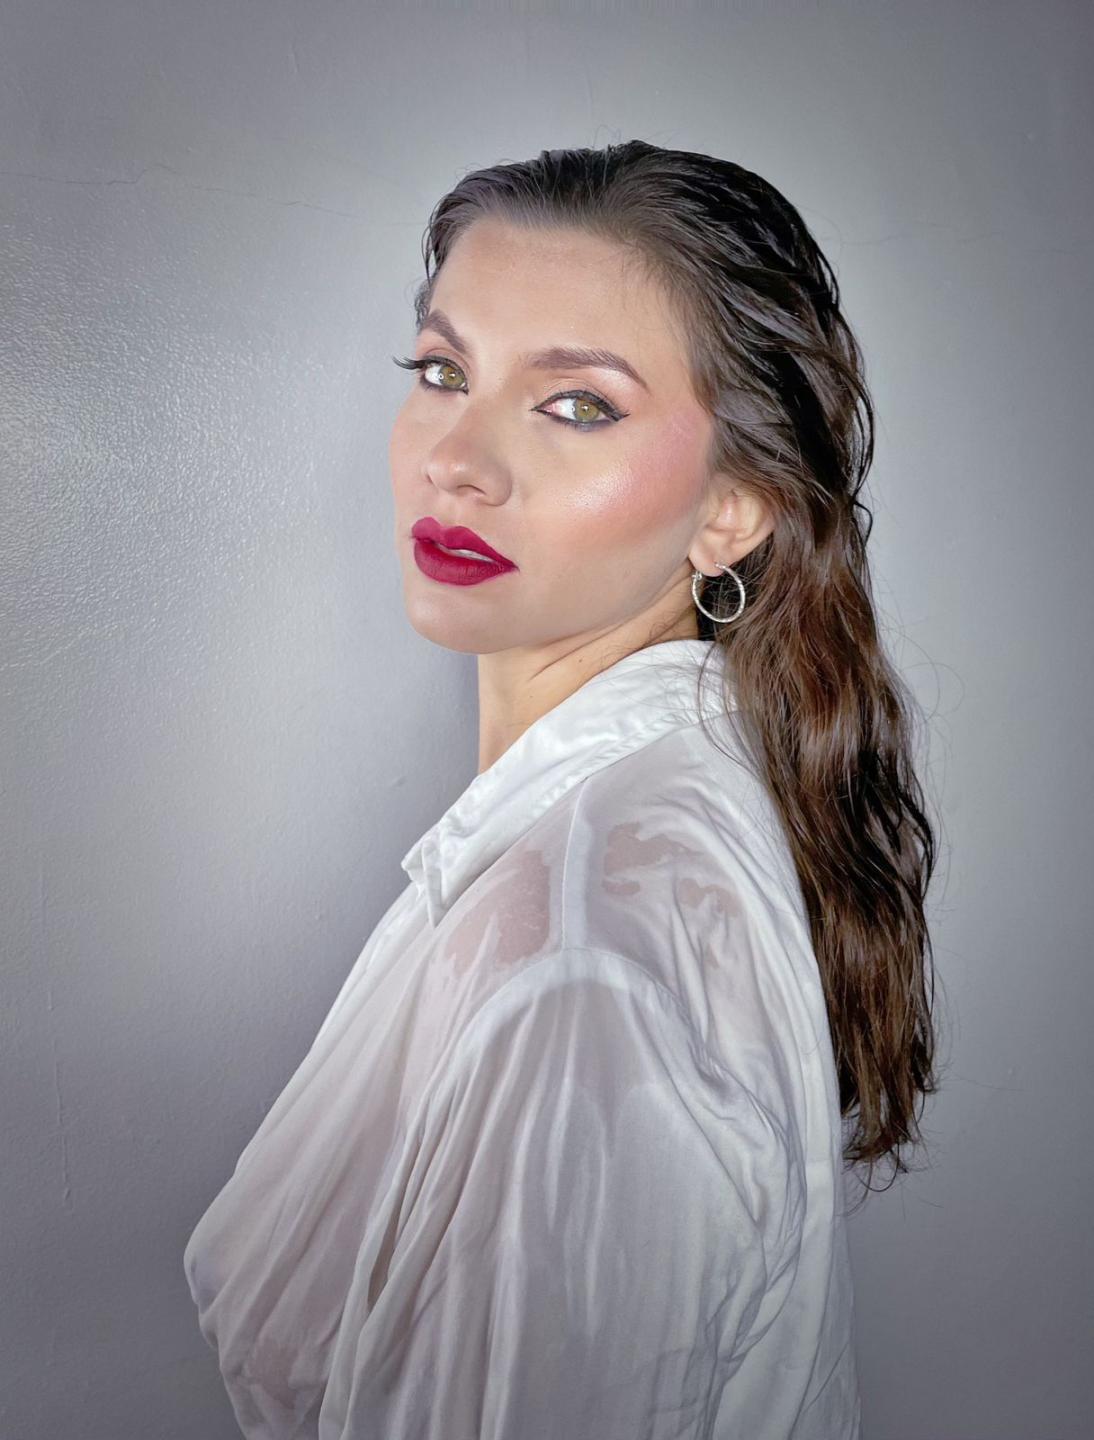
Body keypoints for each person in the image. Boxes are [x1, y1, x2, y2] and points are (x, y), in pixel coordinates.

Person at [183, 140, 938, 1440]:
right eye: (443, 372)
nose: (456, 460)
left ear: (733, 509)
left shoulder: (581, 951)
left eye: (576, 405)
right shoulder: (638, 824)